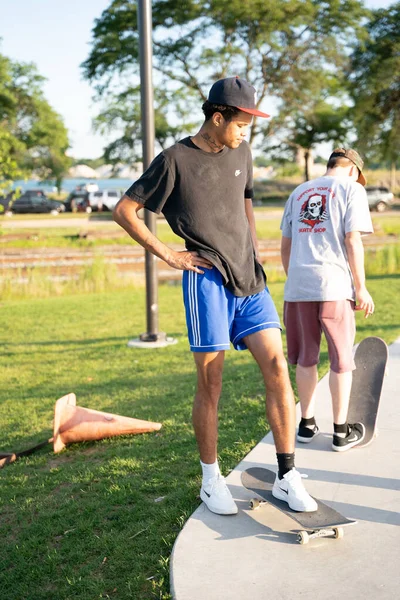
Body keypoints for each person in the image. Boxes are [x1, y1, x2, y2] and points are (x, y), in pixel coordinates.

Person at [113, 76, 317, 515]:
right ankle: (211, 479)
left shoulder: (241, 150)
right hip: (206, 280)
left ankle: (287, 475)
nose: (246, 131)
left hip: (251, 278)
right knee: (212, 382)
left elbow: (243, 199)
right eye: (241, 122)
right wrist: (169, 254)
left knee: (279, 368)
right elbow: (124, 210)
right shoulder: (174, 160)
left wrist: (253, 247)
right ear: (217, 116)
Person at [280, 148, 374, 452]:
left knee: (306, 358)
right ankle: (340, 432)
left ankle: (306, 424)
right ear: (352, 170)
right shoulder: (351, 190)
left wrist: (296, 278)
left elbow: (286, 244)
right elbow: (352, 239)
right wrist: (361, 287)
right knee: (341, 360)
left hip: (299, 288)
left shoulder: (299, 192)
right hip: (334, 285)